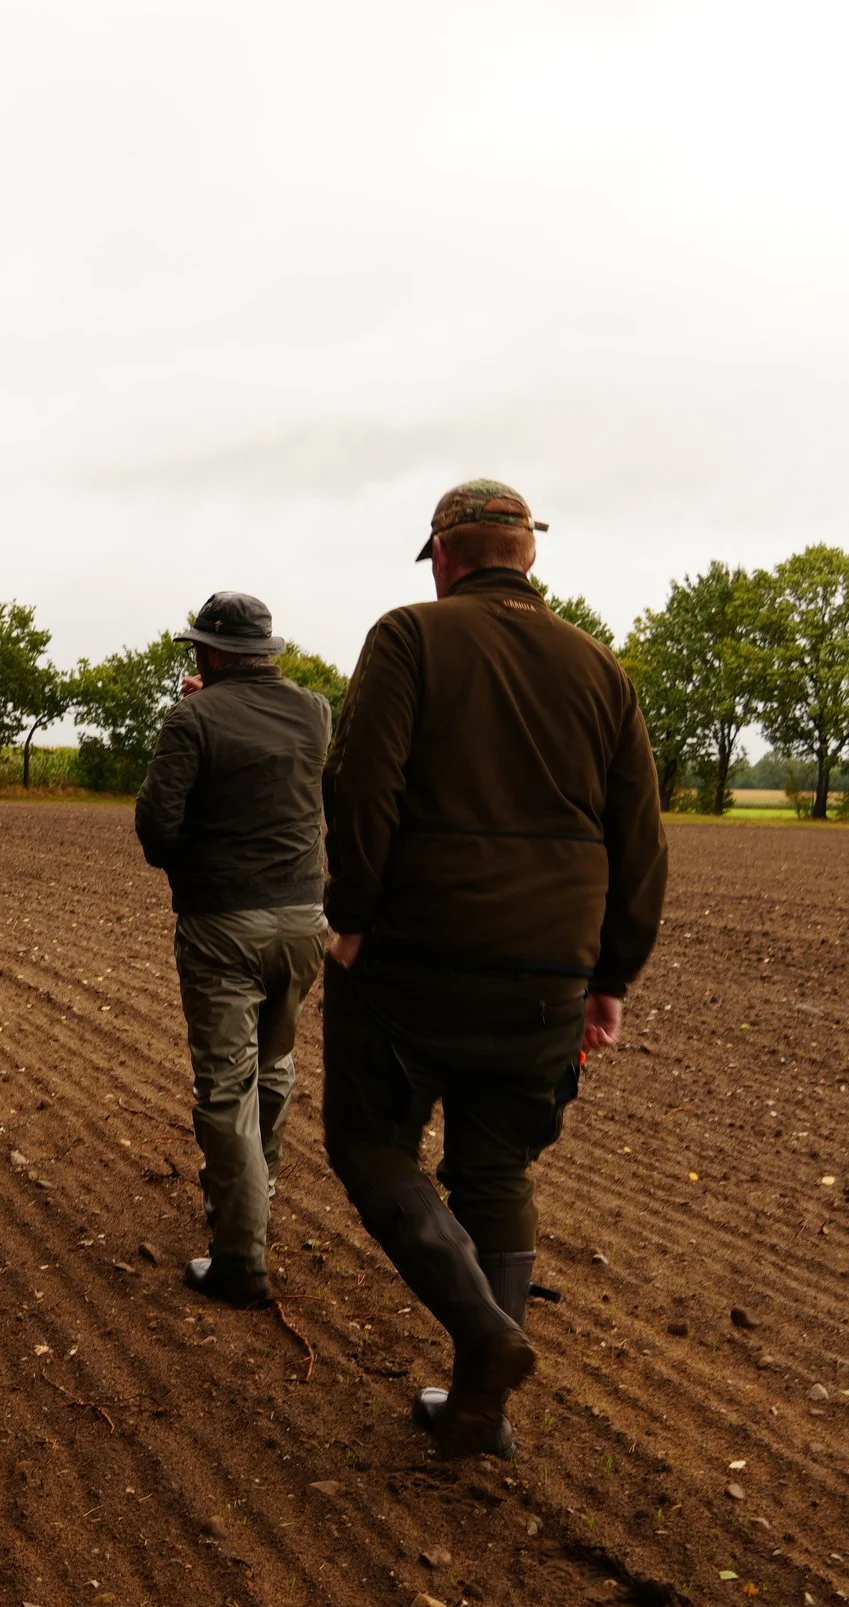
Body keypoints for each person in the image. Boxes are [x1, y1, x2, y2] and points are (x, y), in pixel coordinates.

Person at [321, 480, 668, 1459]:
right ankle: (483, 1409)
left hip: (415, 958)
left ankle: (482, 1332)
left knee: (370, 1143)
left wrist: (351, 916)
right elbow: (639, 838)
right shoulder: (600, 668)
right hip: (549, 973)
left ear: (443, 557)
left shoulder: (409, 637)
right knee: (496, 1165)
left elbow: (364, 784)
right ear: (530, 556)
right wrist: (612, 975)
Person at [133, 592, 331, 1309]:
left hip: (224, 924)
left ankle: (241, 1259)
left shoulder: (192, 718)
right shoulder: (315, 711)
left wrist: (199, 870)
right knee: (273, 1069)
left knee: (226, 1088)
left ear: (213, 653)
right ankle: (255, 1201)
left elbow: (157, 826)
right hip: (305, 918)